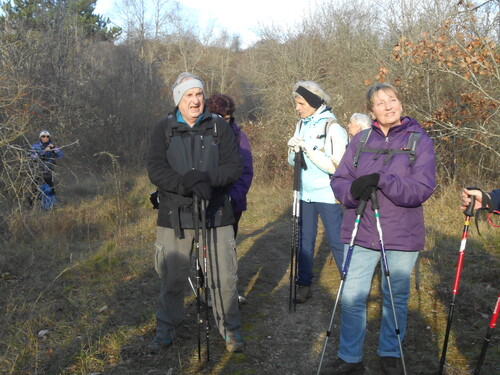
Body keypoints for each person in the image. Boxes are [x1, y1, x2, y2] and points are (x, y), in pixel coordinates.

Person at [326, 82, 436, 375]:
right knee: (352, 296)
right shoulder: (360, 140)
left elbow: (422, 189)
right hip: (360, 229)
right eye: (380, 103)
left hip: (402, 232)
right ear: (371, 110)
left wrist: (383, 179)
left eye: (393, 100)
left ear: (400, 103)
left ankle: (390, 352)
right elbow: (339, 180)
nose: (389, 106)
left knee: (395, 297)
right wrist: (353, 190)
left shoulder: (419, 141)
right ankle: (350, 358)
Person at [147, 72, 244, 353]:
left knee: (224, 279)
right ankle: (166, 330)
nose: (195, 100)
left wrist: (206, 180)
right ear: (179, 99)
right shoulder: (163, 129)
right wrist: (185, 183)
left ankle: (230, 331)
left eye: (199, 94)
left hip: (216, 214)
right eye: (188, 95)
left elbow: (233, 167)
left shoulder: (218, 128)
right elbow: (155, 169)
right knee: (172, 277)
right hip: (173, 217)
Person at [287, 80, 348, 304]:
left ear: (312, 102)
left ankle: (349, 284)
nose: (297, 107)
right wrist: (293, 151)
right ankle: (304, 284)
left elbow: (337, 166)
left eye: (301, 103)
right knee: (304, 240)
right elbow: (292, 162)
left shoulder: (332, 128)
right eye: (296, 103)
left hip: (327, 194)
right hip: (304, 193)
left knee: (337, 241)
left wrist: (309, 150)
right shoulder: (301, 124)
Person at [205, 93, 253, 238]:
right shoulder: (201, 136)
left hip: (232, 204)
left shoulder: (239, 137)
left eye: (227, 119)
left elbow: (246, 171)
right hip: (206, 203)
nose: (224, 123)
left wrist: (232, 198)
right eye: (220, 119)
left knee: (227, 249)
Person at [29, 130, 64, 205]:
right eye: (43, 136)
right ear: (40, 137)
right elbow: (32, 157)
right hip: (37, 171)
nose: (46, 138)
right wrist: (44, 151)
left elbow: (61, 155)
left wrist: (54, 148)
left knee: (50, 189)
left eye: (47, 136)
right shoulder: (35, 146)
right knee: (35, 190)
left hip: (48, 171)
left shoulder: (51, 145)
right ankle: (32, 206)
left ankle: (51, 205)